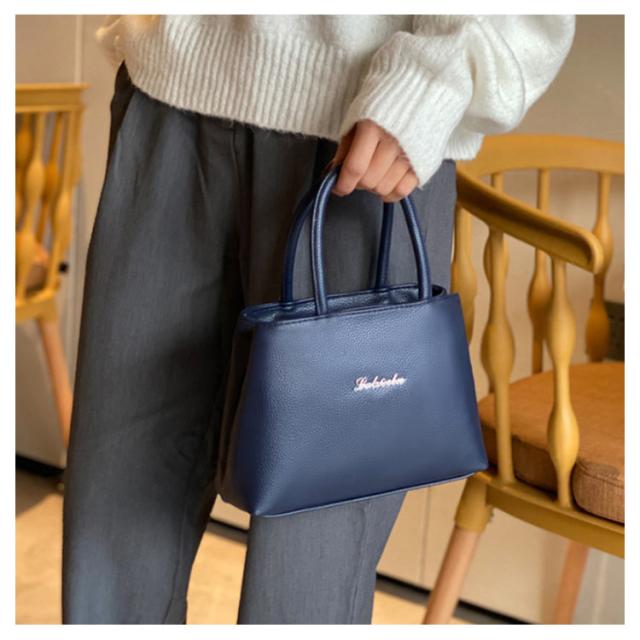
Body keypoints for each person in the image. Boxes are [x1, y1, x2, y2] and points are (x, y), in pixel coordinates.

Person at [61, 14, 576, 624]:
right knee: (115, 508)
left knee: (308, 573)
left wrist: (434, 80)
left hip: (362, 139)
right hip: (169, 89)